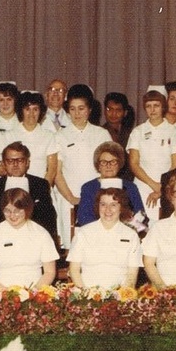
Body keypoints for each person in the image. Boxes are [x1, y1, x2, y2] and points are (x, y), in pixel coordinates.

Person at [54, 89, 111, 248]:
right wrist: (71, 198)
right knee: (72, 244)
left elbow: (109, 168)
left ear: (89, 109)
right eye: (72, 109)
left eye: (81, 108)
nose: (77, 113)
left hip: (98, 198)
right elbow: (57, 172)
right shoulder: (60, 136)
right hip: (69, 199)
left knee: (99, 244)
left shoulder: (101, 134)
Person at [0, 188, 58, 289]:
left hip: (35, 293)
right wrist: (6, 292)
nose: (12, 215)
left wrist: (34, 292)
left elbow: (49, 272)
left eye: (17, 211)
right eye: (7, 211)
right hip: (1, 293)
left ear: (27, 209)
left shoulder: (41, 234)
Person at [68, 187, 143, 290]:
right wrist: (85, 293)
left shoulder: (131, 235)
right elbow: (74, 269)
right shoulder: (83, 233)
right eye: (103, 204)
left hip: (119, 297)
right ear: (98, 206)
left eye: (113, 205)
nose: (108, 209)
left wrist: (122, 296)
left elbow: (132, 274)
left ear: (121, 207)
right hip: (87, 295)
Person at [0, 141, 58, 241]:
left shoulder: (41, 185)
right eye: (10, 161)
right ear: (3, 163)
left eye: (20, 160)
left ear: (27, 163)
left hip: (33, 238)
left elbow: (48, 218)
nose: (15, 165)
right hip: (3, 238)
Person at [127, 87, 176, 221]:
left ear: (163, 106)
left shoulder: (174, 131)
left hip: (167, 186)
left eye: (156, 105)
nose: (152, 110)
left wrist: (162, 189)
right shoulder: (138, 132)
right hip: (142, 186)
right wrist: (154, 185)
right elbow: (134, 164)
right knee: (141, 226)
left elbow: (175, 164)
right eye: (148, 106)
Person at [77, 142, 145, 228]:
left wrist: (122, 229)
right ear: (98, 166)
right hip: (96, 234)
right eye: (104, 162)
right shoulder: (88, 188)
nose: (108, 166)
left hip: (124, 232)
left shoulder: (130, 187)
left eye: (113, 162)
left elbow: (140, 215)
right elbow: (84, 219)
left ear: (119, 164)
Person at [11, 90, 59, 184]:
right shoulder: (10, 135)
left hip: (41, 188)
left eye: (35, 109)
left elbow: (52, 170)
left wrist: (42, 190)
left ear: (41, 111)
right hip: (15, 188)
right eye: (27, 109)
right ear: (21, 111)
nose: (31, 113)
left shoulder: (48, 136)